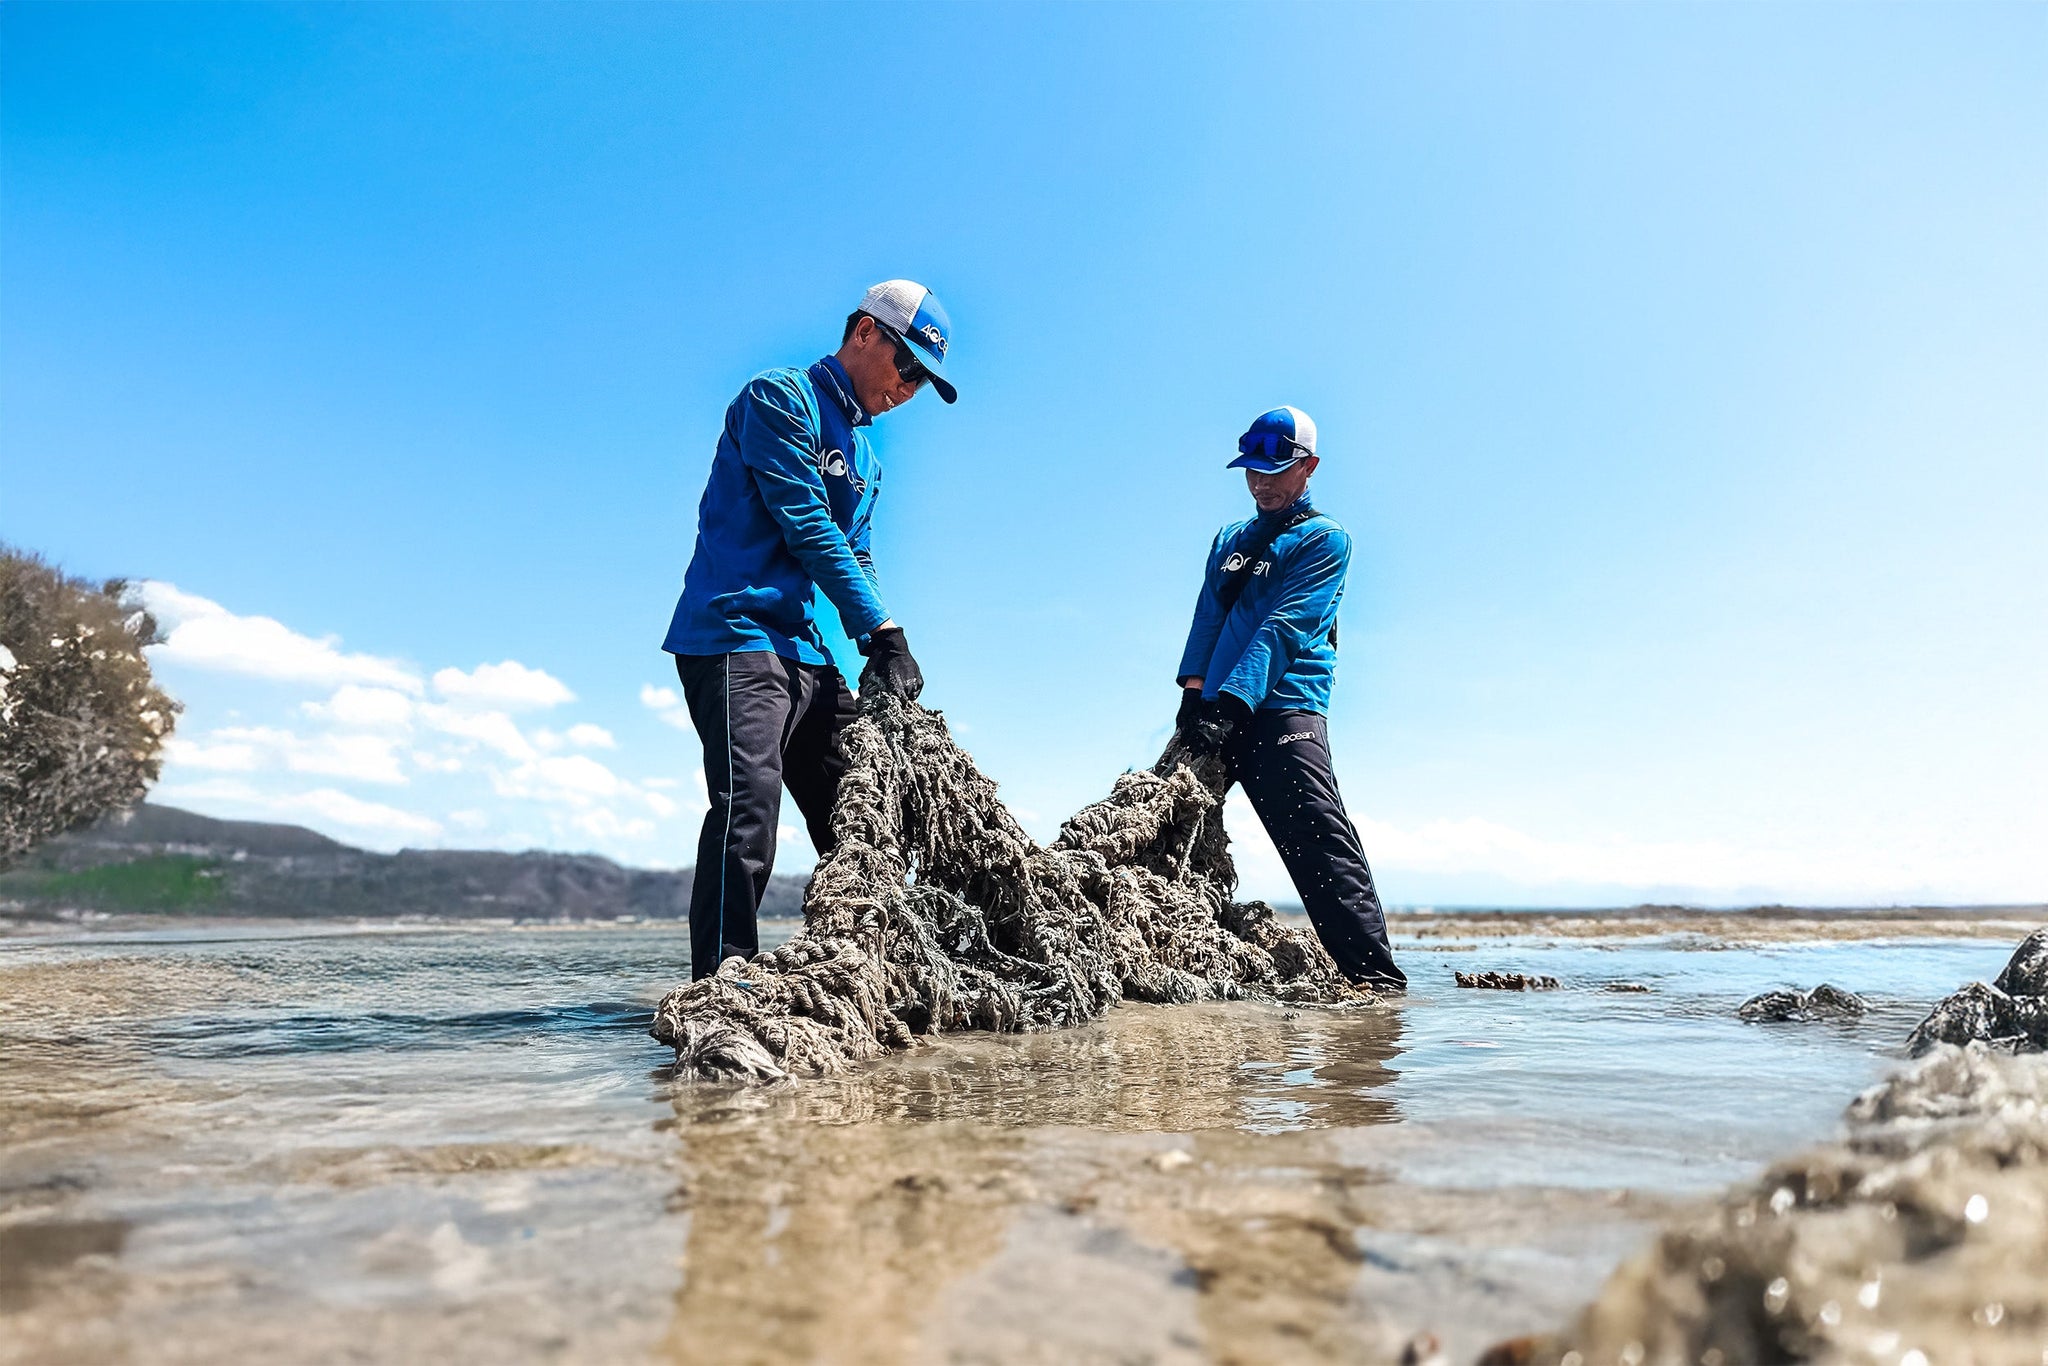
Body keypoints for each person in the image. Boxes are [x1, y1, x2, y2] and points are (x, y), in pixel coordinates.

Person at [663, 280, 955, 979]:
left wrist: (877, 644)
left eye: (926, 380)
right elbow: (806, 524)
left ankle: (883, 971)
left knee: (860, 813)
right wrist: (881, 628)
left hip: (806, 651)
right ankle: (723, 983)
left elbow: (855, 552)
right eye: (908, 365)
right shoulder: (779, 397)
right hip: (735, 636)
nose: (910, 387)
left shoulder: (868, 460)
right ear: (864, 333)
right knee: (748, 811)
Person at [1173, 406, 1407, 991]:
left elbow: (1285, 625)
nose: (1262, 483)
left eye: (1276, 470)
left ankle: (1376, 983)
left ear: (1310, 467)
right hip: (1214, 712)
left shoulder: (1327, 539)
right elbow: (1208, 618)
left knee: (1320, 844)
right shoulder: (1230, 538)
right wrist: (1194, 697)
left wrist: (1234, 704)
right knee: (1166, 827)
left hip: (1283, 710)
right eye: (1252, 470)